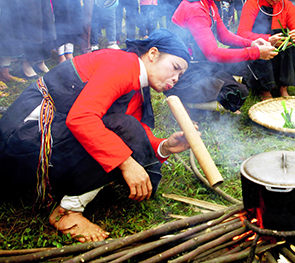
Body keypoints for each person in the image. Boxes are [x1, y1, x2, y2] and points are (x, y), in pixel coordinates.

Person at [0, 29, 191, 242]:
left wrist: (164, 146)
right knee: (121, 129)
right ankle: (68, 212)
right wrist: (127, 163)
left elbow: (136, 129)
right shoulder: (122, 65)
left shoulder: (137, 82)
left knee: (125, 128)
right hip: (21, 145)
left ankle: (73, 190)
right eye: (175, 68)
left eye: (180, 75)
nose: (175, 78)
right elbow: (81, 119)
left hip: (41, 143)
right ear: (153, 54)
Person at [167, 0, 276, 112]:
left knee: (241, 81)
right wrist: (255, 51)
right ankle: (185, 103)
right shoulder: (194, 8)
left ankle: (216, 90)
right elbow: (213, 53)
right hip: (183, 73)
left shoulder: (208, 3)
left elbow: (224, 35)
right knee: (235, 93)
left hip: (202, 65)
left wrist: (252, 43)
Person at [237, 0, 295, 99]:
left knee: (292, 49)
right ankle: (264, 89)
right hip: (257, 42)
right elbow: (242, 33)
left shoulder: (287, 5)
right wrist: (268, 39)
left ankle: (283, 87)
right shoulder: (252, 4)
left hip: (279, 44)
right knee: (262, 49)